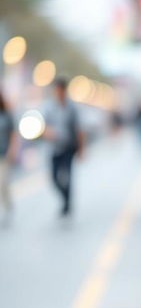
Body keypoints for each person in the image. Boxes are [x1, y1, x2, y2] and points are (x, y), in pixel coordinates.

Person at [43, 77, 84, 216]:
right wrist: (47, 132)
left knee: (67, 176)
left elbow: (79, 129)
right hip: (54, 148)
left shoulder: (72, 107)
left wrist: (82, 149)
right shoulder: (48, 107)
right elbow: (43, 126)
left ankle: (68, 203)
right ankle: (64, 198)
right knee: (54, 178)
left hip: (68, 147)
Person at [0, 90, 17, 222]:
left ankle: (8, 205)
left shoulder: (6, 114)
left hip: (4, 154)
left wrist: (12, 149)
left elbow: (13, 133)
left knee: (3, 182)